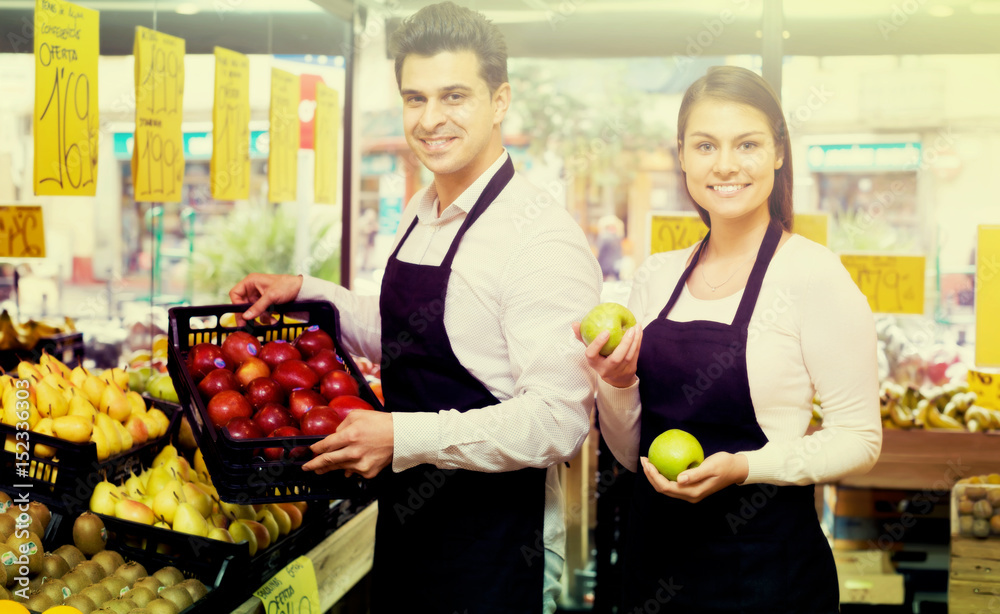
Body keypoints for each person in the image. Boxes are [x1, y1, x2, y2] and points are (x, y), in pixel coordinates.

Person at [229, 3, 602, 613]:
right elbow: (407, 337)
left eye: (454, 96)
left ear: (499, 101)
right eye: (415, 98)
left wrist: (403, 435)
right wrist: (309, 291)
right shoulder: (420, 210)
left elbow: (559, 422)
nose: (431, 120)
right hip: (406, 525)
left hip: (496, 546)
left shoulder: (541, 238)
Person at [574, 66, 882, 612]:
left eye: (748, 144)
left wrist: (745, 467)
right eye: (705, 145)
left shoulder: (813, 275)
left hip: (766, 570)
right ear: (683, 154)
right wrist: (617, 384)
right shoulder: (656, 277)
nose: (725, 165)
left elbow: (859, 439)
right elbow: (627, 455)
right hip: (654, 564)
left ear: (779, 152)